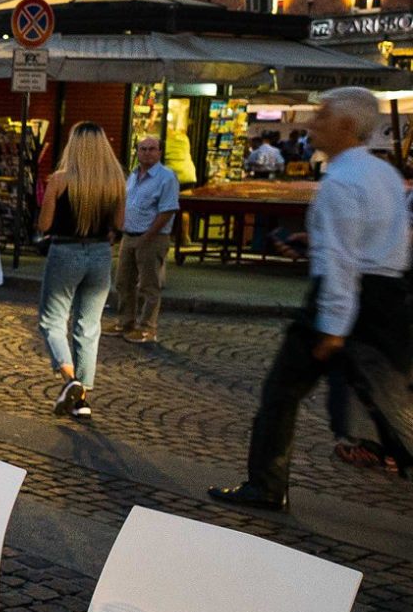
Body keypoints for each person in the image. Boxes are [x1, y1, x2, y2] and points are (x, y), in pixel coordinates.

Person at [212, 90, 412, 513]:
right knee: (385, 401)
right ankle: (266, 484)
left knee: (283, 391)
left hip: (344, 298)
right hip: (386, 296)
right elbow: (386, 242)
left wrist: (332, 329)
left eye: (321, 116)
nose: (311, 123)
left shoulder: (341, 181)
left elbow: (342, 264)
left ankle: (266, 485)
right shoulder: (385, 176)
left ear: (345, 126)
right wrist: (313, 243)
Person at [36, 122, 125, 419]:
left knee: (52, 320)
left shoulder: (60, 180)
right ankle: (82, 399)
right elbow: (120, 224)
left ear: (72, 146)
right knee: (89, 326)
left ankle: (71, 379)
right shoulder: (115, 180)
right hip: (100, 253)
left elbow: (44, 225)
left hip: (66, 251)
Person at [113, 135, 180, 344]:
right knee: (123, 281)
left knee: (149, 285)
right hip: (129, 235)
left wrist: (148, 236)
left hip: (152, 237)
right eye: (143, 149)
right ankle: (125, 322)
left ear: (160, 152)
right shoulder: (133, 175)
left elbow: (168, 210)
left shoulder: (166, 177)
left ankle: (147, 327)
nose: (147, 153)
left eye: (152, 149)